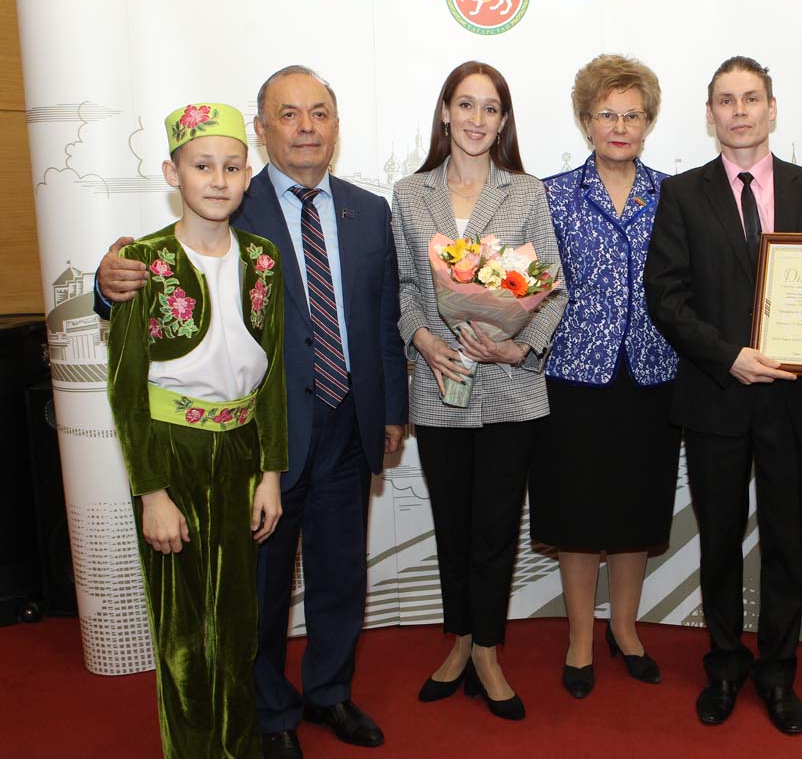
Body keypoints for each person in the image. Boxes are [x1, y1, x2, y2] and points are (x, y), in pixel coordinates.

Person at [96, 66, 409, 759]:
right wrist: (105, 280)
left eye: (319, 112)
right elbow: (154, 271)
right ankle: (270, 712)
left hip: (348, 426)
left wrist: (392, 408)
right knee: (258, 590)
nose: (306, 127)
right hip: (263, 435)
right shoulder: (234, 197)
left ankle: (330, 691)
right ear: (263, 130)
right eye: (288, 114)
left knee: (340, 573)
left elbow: (383, 317)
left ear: (336, 125)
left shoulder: (369, 211)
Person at [643, 56, 802, 735]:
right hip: (715, 396)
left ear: (772, 109)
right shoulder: (683, 193)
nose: (739, 111)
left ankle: (777, 672)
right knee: (718, 542)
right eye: (726, 100)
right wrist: (729, 357)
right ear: (710, 114)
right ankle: (723, 665)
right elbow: (666, 295)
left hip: (794, 403)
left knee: (785, 544)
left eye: (751, 98)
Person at [107, 102, 285, 758]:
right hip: (171, 454)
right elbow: (125, 386)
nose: (217, 179)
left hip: (240, 453)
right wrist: (151, 491)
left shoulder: (263, 259)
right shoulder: (144, 262)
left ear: (248, 176)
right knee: (183, 631)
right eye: (202, 166)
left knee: (236, 624)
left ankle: (240, 747)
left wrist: (270, 472)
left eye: (232, 167)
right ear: (172, 173)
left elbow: (274, 374)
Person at [392, 61, 566, 721]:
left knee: (496, 528)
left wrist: (520, 347)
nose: (476, 119)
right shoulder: (410, 194)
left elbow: (553, 289)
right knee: (453, 526)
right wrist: (422, 339)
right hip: (441, 385)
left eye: (490, 108)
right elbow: (403, 287)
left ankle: (489, 650)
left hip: (511, 389)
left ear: (503, 121)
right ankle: (460, 640)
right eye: (465, 105)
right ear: (445, 111)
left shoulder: (526, 192)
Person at [529, 54, 679, 700]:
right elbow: (532, 286)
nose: (620, 127)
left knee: (635, 510)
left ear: (648, 122)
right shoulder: (552, 194)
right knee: (579, 512)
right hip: (573, 376)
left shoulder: (674, 194)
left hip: (652, 373)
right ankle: (580, 637)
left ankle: (624, 628)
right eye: (607, 114)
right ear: (586, 121)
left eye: (632, 115)